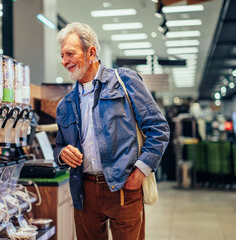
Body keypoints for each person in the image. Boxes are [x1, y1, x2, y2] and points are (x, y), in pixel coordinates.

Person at [53, 22, 170, 240]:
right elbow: (59, 145)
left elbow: (159, 129)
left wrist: (140, 172)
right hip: (84, 193)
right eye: (62, 56)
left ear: (91, 52)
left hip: (124, 187)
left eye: (70, 53)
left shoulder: (124, 81)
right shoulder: (66, 104)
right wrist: (62, 153)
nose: (64, 61)